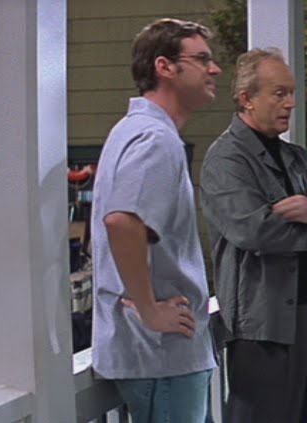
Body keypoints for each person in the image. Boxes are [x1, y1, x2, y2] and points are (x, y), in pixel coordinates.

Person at [200, 47, 307, 423]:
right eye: (279, 93)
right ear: (247, 99)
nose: (291, 103)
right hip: (262, 326)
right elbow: (255, 231)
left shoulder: (296, 157)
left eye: (292, 92)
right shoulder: (226, 159)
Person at [90, 18, 220, 423]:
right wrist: (149, 309)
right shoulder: (155, 139)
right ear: (164, 66)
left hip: (160, 356)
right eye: (202, 59)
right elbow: (121, 221)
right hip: (161, 356)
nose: (214, 69)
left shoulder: (135, 130)